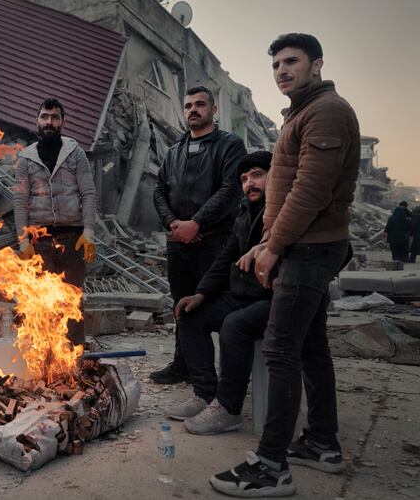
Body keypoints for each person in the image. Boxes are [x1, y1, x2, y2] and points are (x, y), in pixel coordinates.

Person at [211, 33, 360, 497]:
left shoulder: (326, 112)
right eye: (276, 64)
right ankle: (322, 443)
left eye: (291, 61)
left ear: (317, 64)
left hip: (311, 248)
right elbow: (287, 188)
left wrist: (273, 247)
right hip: (303, 244)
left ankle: (271, 465)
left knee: (279, 349)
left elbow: (310, 192)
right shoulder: (301, 113)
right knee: (311, 347)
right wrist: (265, 243)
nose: (282, 71)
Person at [163, 151, 273, 435]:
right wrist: (200, 293)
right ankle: (205, 394)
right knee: (189, 314)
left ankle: (229, 407)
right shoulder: (243, 215)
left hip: (273, 300)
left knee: (234, 326)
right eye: (245, 179)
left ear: (277, 176)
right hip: (242, 296)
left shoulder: (284, 214)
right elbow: (225, 260)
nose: (249, 183)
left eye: (257, 175)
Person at [151, 86, 246, 384]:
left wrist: (197, 223)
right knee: (181, 303)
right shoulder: (174, 151)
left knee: (213, 308)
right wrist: (173, 224)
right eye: (189, 105)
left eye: (200, 104)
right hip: (178, 244)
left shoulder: (230, 146)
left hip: (214, 242)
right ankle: (184, 364)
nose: (193, 109)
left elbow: (230, 189)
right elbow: (159, 190)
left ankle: (223, 376)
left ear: (213, 110)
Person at [13, 98, 97, 346]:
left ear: (63, 121)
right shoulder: (26, 158)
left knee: (72, 299)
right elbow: (20, 200)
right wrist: (22, 241)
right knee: (40, 301)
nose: (49, 122)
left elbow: (88, 193)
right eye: (44, 117)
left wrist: (89, 231)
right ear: (37, 120)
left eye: (54, 117)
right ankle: (46, 357)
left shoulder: (75, 153)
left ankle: (75, 356)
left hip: (72, 238)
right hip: (39, 241)